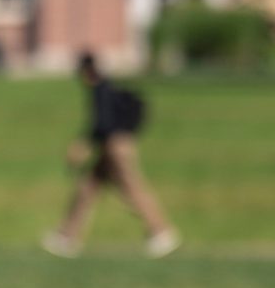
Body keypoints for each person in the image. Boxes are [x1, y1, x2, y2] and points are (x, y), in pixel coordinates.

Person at [42, 51, 179, 259]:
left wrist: (83, 144)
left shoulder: (101, 88)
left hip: (116, 147)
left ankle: (161, 232)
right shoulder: (105, 86)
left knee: (132, 188)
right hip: (111, 146)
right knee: (87, 188)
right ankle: (67, 237)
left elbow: (102, 122)